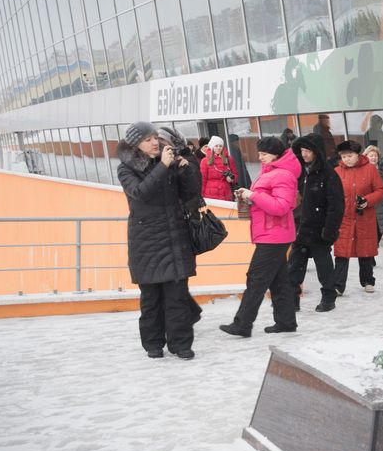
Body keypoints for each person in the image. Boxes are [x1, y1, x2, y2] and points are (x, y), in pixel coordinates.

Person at [116, 121, 202, 360]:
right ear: (136, 145)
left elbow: (191, 193)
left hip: (174, 237)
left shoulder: (168, 161)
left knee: (178, 298)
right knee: (151, 299)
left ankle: (181, 344)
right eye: (147, 139)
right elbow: (140, 193)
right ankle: (153, 343)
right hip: (145, 241)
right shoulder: (126, 169)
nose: (155, 142)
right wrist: (163, 166)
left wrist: (185, 170)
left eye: (155, 137)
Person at [219, 136, 301, 337]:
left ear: (275, 154)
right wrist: (248, 196)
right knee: (278, 280)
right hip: (273, 233)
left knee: (256, 278)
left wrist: (253, 195)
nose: (260, 157)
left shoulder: (283, 175)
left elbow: (280, 207)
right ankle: (286, 321)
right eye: (260, 153)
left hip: (274, 234)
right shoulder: (271, 171)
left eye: (264, 153)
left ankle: (242, 324)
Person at [289, 133, 344, 312]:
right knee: (294, 267)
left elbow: (336, 206)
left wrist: (329, 231)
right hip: (301, 228)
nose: (304, 154)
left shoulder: (328, 174)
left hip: (319, 230)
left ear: (317, 151)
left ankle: (329, 298)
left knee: (324, 268)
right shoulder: (300, 173)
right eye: (302, 150)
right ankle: (291, 300)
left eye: (308, 150)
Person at [332, 140, 383, 294]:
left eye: (349, 156)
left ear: (357, 155)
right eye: (344, 157)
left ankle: (368, 281)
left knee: (366, 251)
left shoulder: (370, 169)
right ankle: (338, 285)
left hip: (364, 217)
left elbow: (380, 190)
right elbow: (332, 195)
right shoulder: (337, 172)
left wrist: (367, 201)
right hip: (344, 219)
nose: (346, 159)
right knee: (342, 252)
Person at [362, 144, 383, 243]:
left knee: (380, 229)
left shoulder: (382, 169)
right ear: (366, 156)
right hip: (368, 204)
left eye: (375, 156)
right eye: (371, 155)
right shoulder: (362, 170)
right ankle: (371, 249)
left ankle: (374, 246)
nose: (373, 157)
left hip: (380, 204)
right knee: (369, 229)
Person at [199, 135, 238, 201]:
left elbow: (236, 175)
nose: (218, 148)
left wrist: (232, 179)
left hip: (226, 194)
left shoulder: (228, 159)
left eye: (220, 146)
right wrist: (202, 196)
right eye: (216, 146)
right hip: (211, 196)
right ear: (212, 147)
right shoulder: (205, 161)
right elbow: (203, 180)